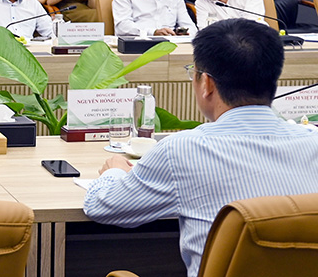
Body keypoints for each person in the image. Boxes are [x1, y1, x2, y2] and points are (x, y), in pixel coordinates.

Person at [83, 19, 318, 277]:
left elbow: (101, 206)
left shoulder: (182, 151)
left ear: (207, 84)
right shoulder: (313, 142)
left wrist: (115, 171)